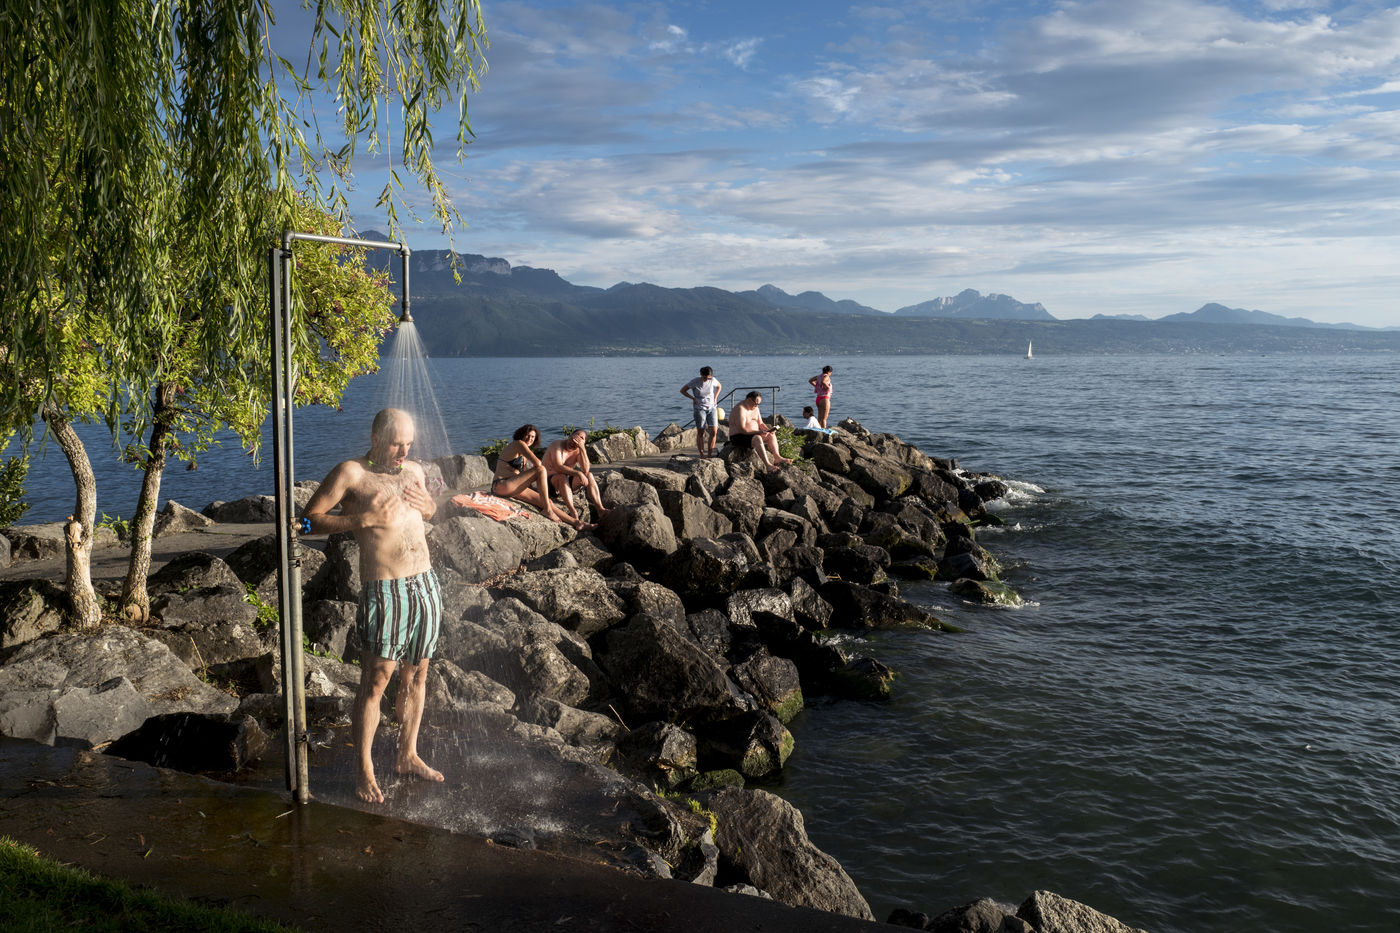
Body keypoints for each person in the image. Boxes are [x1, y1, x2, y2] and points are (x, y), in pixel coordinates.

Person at [300, 408, 444, 805]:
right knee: (377, 680)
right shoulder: (352, 474)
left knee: (417, 675)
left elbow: (429, 512)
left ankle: (407, 755)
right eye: (396, 443)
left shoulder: (413, 470)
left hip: (425, 584)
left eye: (409, 443)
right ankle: (363, 769)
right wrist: (359, 519)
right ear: (376, 438)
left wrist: (429, 505)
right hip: (385, 588)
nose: (404, 451)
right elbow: (306, 522)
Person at [472, 424, 587, 528]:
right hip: (500, 485)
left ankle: (576, 522)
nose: (530, 438)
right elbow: (538, 464)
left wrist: (538, 492)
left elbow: (523, 478)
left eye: (533, 437)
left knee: (546, 501)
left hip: (513, 487)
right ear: (521, 434)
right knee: (541, 469)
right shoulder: (519, 444)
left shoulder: (523, 456)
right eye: (528, 435)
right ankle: (547, 511)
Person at [544, 428, 609, 524]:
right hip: (548, 484)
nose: (574, 442)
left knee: (589, 475)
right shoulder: (557, 445)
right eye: (573, 438)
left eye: (580, 440)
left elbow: (586, 470)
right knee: (562, 476)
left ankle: (600, 509)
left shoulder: (578, 450)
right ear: (570, 436)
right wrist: (577, 473)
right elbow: (558, 467)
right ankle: (573, 511)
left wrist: (582, 449)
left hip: (565, 484)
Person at [728, 391, 792, 472]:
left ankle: (777, 457)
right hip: (738, 436)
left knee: (771, 435)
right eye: (755, 404)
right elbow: (742, 429)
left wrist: (768, 430)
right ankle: (768, 465)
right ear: (749, 400)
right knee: (757, 438)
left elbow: (760, 423)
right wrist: (758, 432)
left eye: (758, 404)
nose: (756, 406)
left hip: (752, 434)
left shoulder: (756, 409)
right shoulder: (740, 409)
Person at [680, 365, 723, 458]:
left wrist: (715, 397)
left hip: (712, 407)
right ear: (701, 374)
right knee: (701, 432)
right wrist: (693, 398)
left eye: (708, 377)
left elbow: (719, 386)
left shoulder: (713, 380)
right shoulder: (695, 381)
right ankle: (702, 454)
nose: (707, 379)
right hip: (699, 408)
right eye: (705, 377)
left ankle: (710, 454)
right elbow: (683, 390)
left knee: (714, 431)